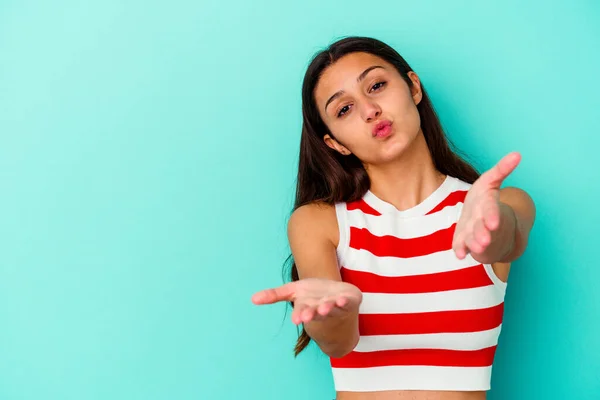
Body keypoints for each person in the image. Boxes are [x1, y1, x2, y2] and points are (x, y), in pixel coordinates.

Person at [251, 36, 536, 400]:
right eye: (344, 109)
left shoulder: (500, 203)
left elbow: (506, 238)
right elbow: (338, 345)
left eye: (377, 85)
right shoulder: (319, 223)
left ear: (413, 87)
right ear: (335, 143)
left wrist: (490, 228)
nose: (370, 109)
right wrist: (331, 313)